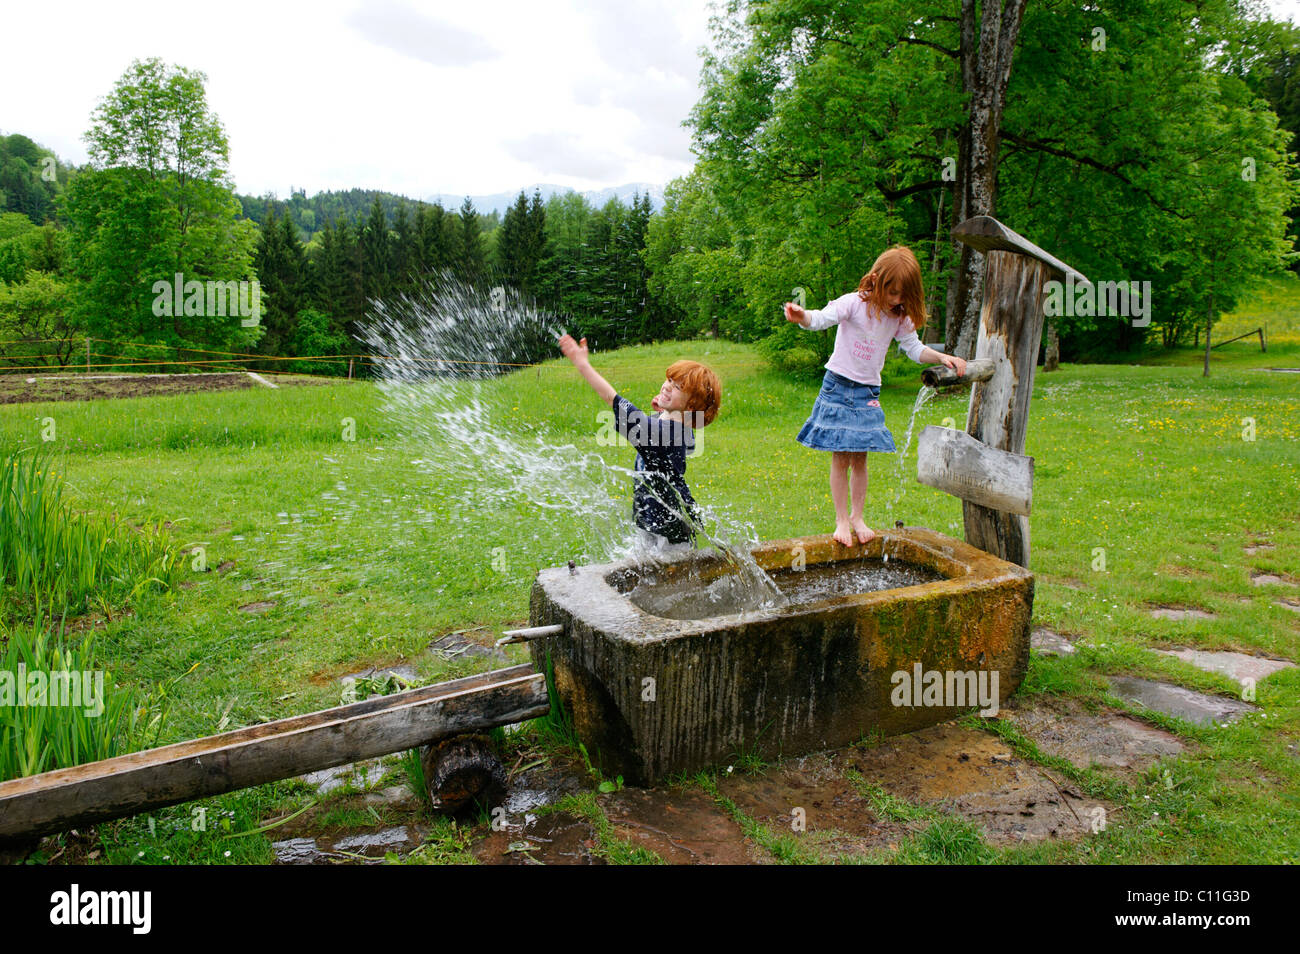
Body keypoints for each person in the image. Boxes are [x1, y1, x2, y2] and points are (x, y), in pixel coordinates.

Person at [784, 245, 966, 547]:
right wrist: (802, 315)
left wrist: (941, 357)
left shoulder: (899, 317)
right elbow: (820, 319)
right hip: (838, 387)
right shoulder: (854, 304)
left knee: (861, 458)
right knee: (841, 457)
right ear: (877, 280)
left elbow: (914, 348)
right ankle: (842, 520)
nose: (896, 300)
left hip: (868, 391)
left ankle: (858, 516)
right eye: (891, 292)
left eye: (902, 295)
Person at [558, 334, 722, 548]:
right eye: (669, 380)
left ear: (690, 406)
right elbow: (684, 437)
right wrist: (666, 411)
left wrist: (583, 365)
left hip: (667, 538)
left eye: (678, 387)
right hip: (656, 524)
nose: (667, 386)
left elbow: (613, 399)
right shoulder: (681, 430)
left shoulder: (662, 435)